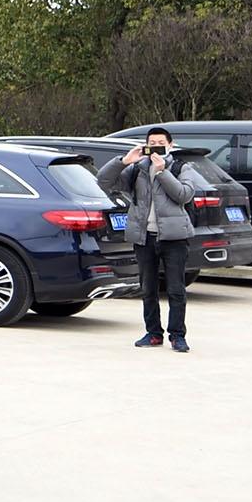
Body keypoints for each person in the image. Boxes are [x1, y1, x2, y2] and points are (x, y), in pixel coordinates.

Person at [97, 128, 208, 351]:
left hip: (174, 237)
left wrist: (162, 172)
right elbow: (104, 181)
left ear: (170, 145)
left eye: (160, 143)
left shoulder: (180, 168)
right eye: (152, 143)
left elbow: (184, 195)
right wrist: (123, 161)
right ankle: (153, 332)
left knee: (176, 289)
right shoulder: (137, 169)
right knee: (148, 288)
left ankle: (177, 335)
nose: (156, 146)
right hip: (144, 237)